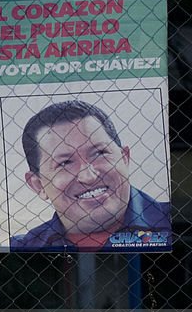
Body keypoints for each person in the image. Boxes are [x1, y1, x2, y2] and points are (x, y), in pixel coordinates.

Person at [9, 99, 170, 251]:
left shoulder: (176, 223)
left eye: (99, 153)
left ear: (125, 158)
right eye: (65, 163)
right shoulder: (18, 248)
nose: (89, 176)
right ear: (38, 185)